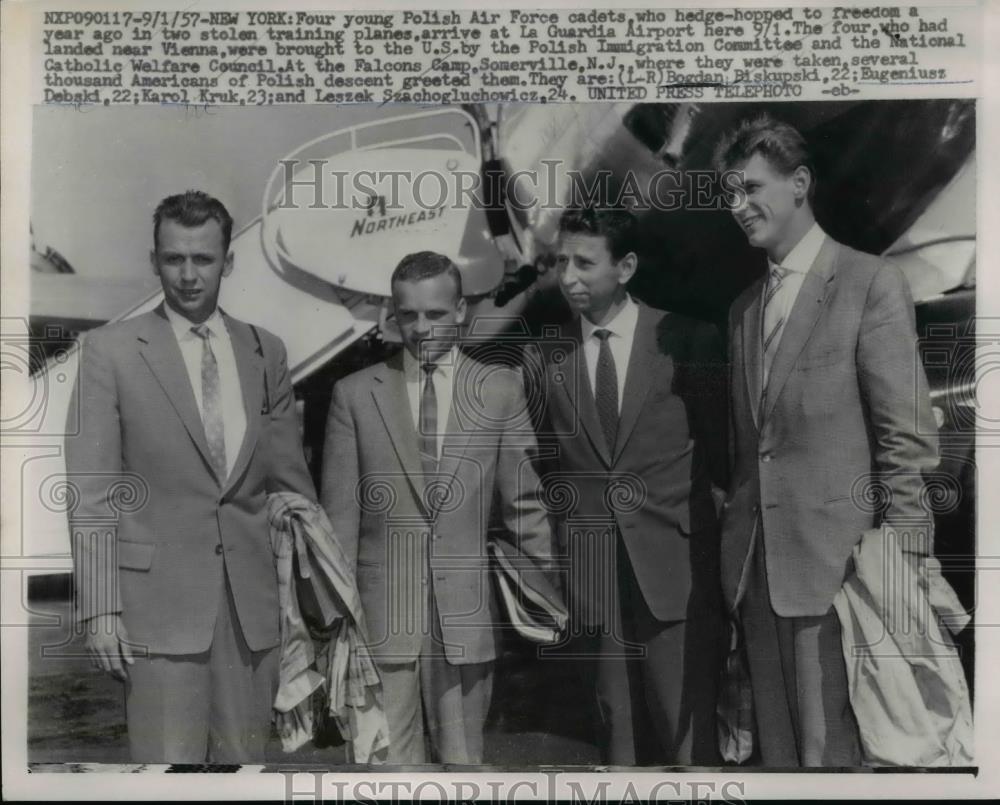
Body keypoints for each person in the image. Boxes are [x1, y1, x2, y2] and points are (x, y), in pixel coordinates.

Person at [714, 114, 940, 766]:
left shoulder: (870, 283)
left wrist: (904, 568)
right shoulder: (743, 310)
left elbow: (905, 443)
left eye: (751, 187)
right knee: (783, 763)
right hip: (757, 580)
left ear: (800, 183)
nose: (738, 206)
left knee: (833, 761)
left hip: (842, 578)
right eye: (730, 192)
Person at [65, 190, 316, 763]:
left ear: (227, 262)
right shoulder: (108, 352)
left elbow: (290, 485)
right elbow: (91, 493)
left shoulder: (264, 351)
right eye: (173, 258)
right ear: (154, 260)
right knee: (165, 775)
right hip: (156, 609)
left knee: (243, 775)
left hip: (252, 615)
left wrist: (309, 607)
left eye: (202, 259)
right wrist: (101, 608)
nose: (187, 275)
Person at [320, 251, 559, 765]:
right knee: (383, 774)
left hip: (467, 617)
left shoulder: (500, 389)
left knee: (463, 767)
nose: (420, 327)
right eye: (408, 314)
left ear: (460, 313)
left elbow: (525, 507)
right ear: (393, 314)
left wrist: (547, 595)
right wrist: (336, 625)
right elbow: (337, 524)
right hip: (381, 622)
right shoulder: (355, 395)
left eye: (434, 314)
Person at [540, 206, 728, 765]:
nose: (567, 276)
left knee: (687, 740)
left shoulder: (688, 340)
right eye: (560, 261)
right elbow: (548, 472)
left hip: (676, 574)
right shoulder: (546, 358)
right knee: (616, 736)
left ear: (625, 267)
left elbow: (722, 459)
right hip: (595, 581)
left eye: (583, 262)